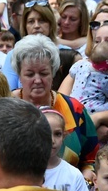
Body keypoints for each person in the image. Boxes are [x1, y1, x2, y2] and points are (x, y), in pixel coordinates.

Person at [11, 34, 99, 176]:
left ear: (53, 73)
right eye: (30, 74)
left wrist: (87, 176)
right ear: (19, 75)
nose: (38, 80)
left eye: (44, 73)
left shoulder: (74, 109)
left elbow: (91, 158)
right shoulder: (5, 108)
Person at [68, 41, 108, 144]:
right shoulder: (105, 78)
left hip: (76, 106)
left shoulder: (81, 64)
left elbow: (72, 72)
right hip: (95, 109)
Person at [41, 109, 90, 191]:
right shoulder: (22, 172)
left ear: (64, 136)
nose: (52, 140)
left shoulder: (74, 174)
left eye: (57, 134)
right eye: (45, 133)